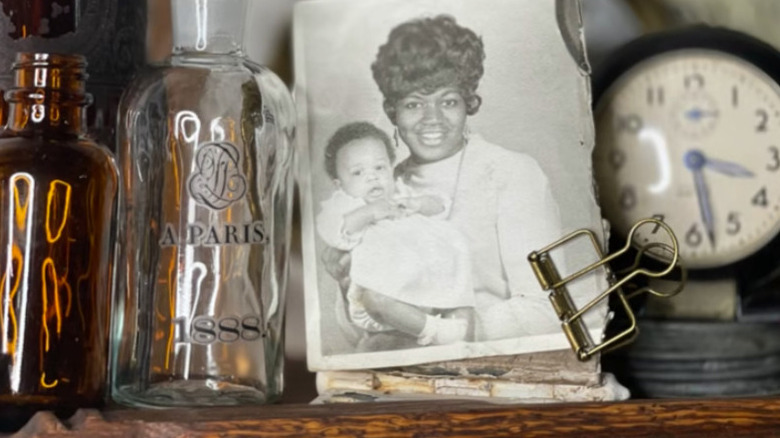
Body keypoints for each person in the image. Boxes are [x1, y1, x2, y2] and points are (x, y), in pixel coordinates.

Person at [316, 121, 475, 348]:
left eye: (379, 168)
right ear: (339, 184)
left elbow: (441, 206)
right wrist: (369, 212)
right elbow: (336, 231)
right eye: (358, 172)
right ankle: (434, 330)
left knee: (458, 297)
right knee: (375, 299)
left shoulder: (401, 194)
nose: (372, 177)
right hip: (382, 295)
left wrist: (417, 203)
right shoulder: (344, 205)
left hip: (421, 284)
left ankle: (456, 338)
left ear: (391, 168)